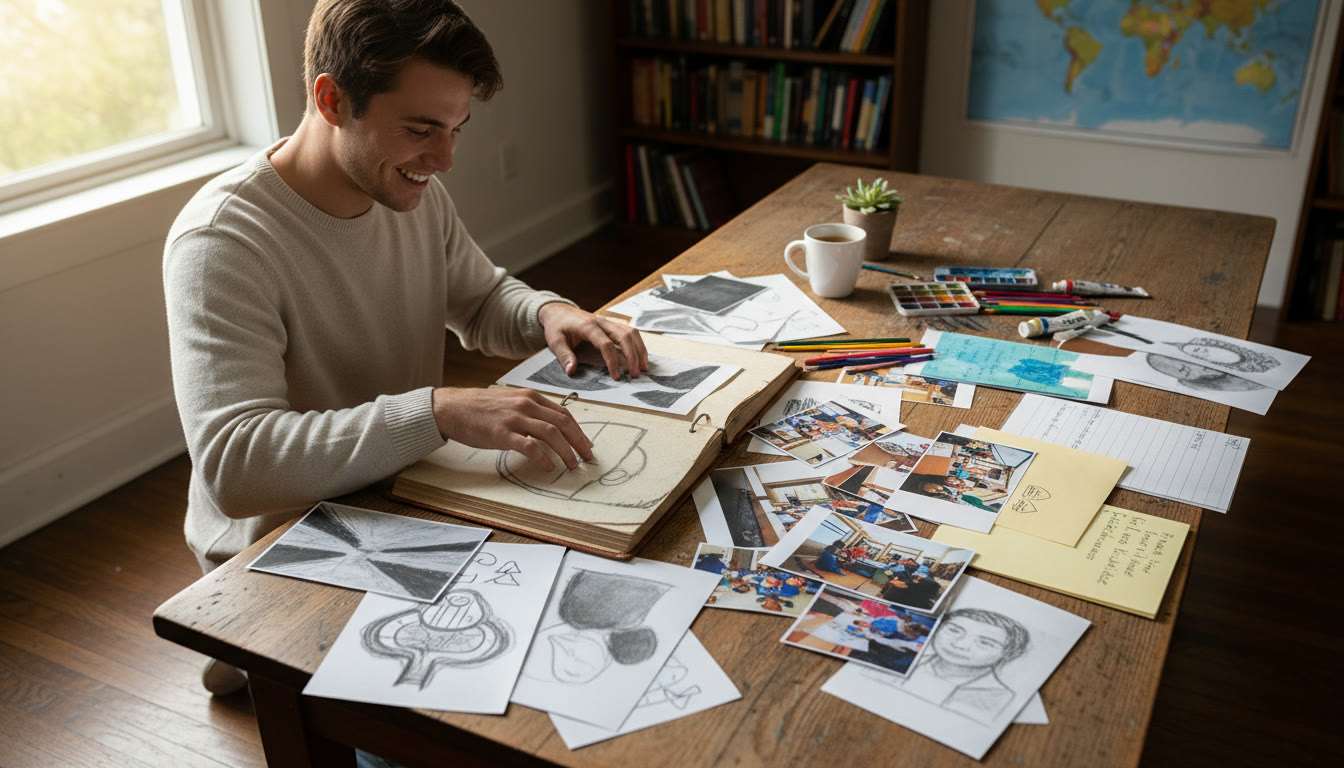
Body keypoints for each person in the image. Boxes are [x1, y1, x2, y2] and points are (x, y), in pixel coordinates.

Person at [163, 0, 647, 696]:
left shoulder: (409, 189)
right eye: (421, 129)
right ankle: (253, 669)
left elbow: (480, 299)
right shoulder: (221, 243)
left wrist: (549, 313)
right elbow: (235, 467)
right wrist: (438, 412)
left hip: (397, 493)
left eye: (456, 129)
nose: (445, 159)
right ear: (332, 99)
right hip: (285, 550)